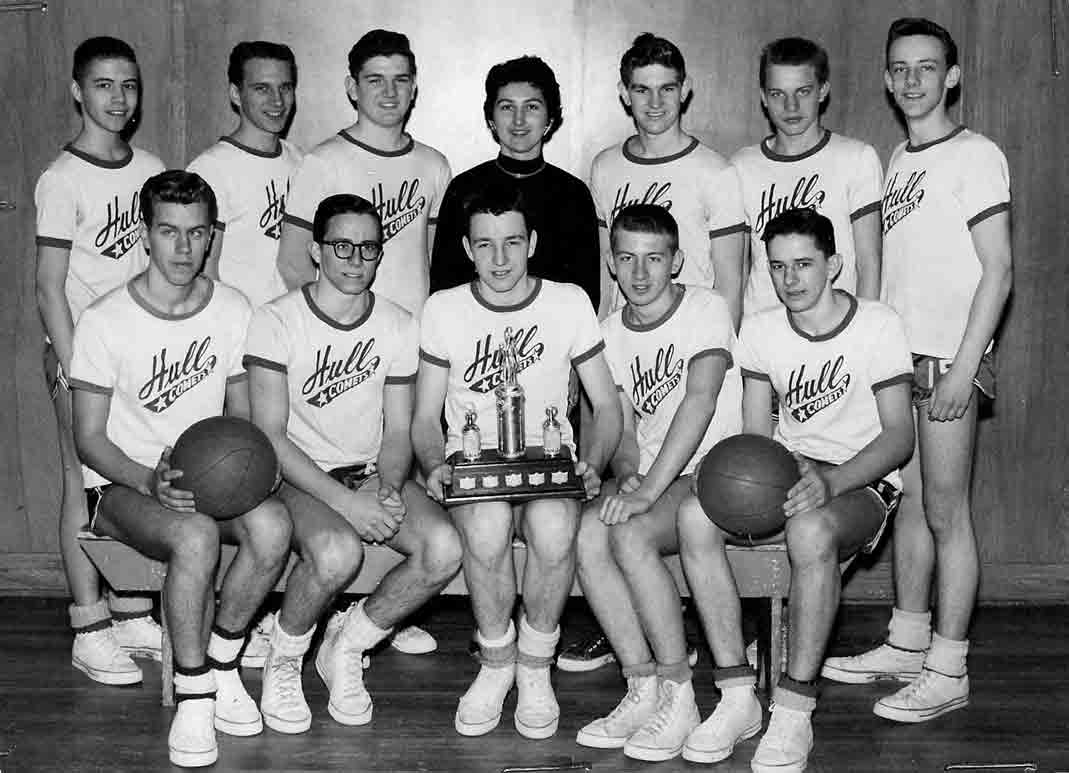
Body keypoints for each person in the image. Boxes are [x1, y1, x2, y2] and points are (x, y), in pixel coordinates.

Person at [821, 18, 1012, 724]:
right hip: (898, 359)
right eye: (898, 68)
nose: (910, 80)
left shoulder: (976, 154)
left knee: (944, 510)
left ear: (951, 76)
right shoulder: (899, 156)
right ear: (884, 78)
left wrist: (965, 367)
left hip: (946, 357)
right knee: (907, 508)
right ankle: (906, 641)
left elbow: (998, 270)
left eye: (925, 67)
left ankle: (948, 664)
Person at [674, 207, 914, 771]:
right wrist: (749, 483)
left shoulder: (878, 324)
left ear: (833, 264)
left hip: (862, 478)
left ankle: (792, 708)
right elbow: (758, 435)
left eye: (804, 264)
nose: (791, 280)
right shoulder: (759, 329)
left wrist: (829, 481)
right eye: (778, 267)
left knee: (809, 530)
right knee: (692, 516)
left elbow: (899, 436)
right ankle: (736, 695)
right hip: (789, 470)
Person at [69, 171, 293, 767]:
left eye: (196, 233)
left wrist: (258, 465)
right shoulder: (104, 319)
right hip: (122, 486)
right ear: (145, 234)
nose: (183, 248)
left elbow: (242, 416)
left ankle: (223, 661)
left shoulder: (232, 308)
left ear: (212, 237)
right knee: (193, 536)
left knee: (273, 526)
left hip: (209, 479)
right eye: (169, 232)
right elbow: (87, 438)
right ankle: (194, 692)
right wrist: (147, 479)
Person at [244, 193, 462, 734]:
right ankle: (286, 657)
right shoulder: (275, 320)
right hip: (294, 475)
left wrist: (386, 489)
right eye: (341, 245)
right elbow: (270, 435)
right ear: (316, 250)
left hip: (366, 471)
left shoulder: (396, 323)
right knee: (337, 551)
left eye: (368, 247)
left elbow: (398, 429)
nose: (355, 258)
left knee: (444, 548)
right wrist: (345, 503)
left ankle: (348, 642)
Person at [412, 184, 622, 739]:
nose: (499, 259)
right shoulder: (444, 308)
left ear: (532, 241)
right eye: (484, 245)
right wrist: (434, 463)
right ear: (465, 247)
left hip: (549, 458)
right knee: (486, 526)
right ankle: (497, 662)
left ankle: (534, 667)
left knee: (554, 528)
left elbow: (605, 404)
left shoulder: (568, 300)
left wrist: (594, 461)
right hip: (476, 458)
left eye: (511, 242)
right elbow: (423, 417)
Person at [573, 204, 742, 762]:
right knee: (589, 533)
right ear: (611, 263)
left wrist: (646, 492)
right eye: (626, 258)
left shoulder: (705, 307)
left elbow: (700, 399)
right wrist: (624, 476)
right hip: (659, 479)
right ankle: (642, 684)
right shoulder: (607, 332)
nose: (639, 273)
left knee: (628, 534)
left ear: (677, 261)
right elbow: (616, 420)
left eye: (653, 259)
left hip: (718, 471)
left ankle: (679, 690)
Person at [34, 35, 166, 687]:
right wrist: (67, 358)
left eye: (129, 85)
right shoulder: (61, 178)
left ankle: (131, 608)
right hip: (84, 358)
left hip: (139, 357)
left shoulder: (151, 167)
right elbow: (47, 283)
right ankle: (88, 623)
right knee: (79, 483)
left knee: (132, 479)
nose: (118, 98)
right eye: (105, 85)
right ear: (77, 91)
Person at [276, 29, 451, 317]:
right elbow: (293, 261)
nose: (390, 92)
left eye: (400, 80)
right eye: (375, 80)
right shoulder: (322, 161)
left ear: (414, 88)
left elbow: (434, 259)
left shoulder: (434, 164)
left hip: (412, 332)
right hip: (345, 341)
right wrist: (329, 321)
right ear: (353, 88)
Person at [588, 33, 746, 323]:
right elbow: (605, 270)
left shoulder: (716, 172)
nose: (655, 102)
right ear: (624, 92)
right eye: (642, 90)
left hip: (692, 336)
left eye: (667, 89)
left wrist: (721, 356)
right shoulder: (605, 167)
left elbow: (731, 285)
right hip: (626, 338)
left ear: (685, 89)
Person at [429, 55, 600, 308]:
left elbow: (585, 297)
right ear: (491, 119)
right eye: (507, 107)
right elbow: (444, 289)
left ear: (550, 119)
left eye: (532, 107)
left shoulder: (573, 194)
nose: (519, 120)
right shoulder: (463, 189)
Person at [733, 37, 883, 315]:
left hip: (836, 330)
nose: (791, 106)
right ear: (764, 97)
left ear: (823, 91)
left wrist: (863, 335)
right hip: (764, 333)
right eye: (778, 94)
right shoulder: (742, 166)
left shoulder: (856, 158)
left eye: (802, 91)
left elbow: (869, 264)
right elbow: (737, 270)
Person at [186, 41, 303, 309]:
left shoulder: (300, 160)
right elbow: (205, 273)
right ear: (236, 95)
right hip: (242, 335)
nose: (277, 100)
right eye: (262, 88)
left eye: (285, 87)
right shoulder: (210, 169)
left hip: (293, 330)